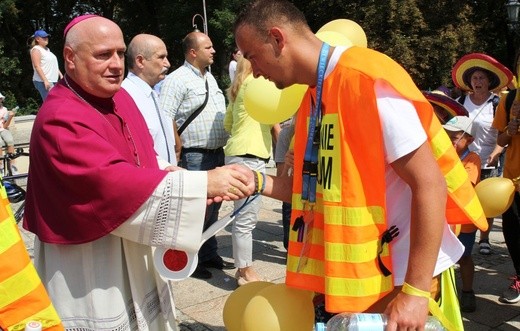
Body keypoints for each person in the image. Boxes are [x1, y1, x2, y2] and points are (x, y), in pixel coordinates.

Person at [233, 1, 487, 329]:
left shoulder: (364, 81)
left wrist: (414, 293)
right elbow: (316, 190)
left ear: (278, 39)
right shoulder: (315, 95)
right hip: (361, 281)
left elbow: (430, 183)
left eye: (251, 55)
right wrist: (252, 180)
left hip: (396, 283)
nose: (252, 70)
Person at [22, 15, 253, 331]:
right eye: (104, 54)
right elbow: (108, 184)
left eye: (119, 52)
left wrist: (178, 175)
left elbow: (141, 157)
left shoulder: (119, 97)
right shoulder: (60, 117)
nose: (117, 64)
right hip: (92, 261)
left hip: (132, 243)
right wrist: (201, 183)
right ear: (71, 58)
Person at [159, 31, 233, 280]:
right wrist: (177, 148)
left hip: (215, 154)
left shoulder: (209, 78)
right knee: (196, 210)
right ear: (193, 52)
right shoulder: (177, 79)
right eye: (208, 47)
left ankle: (209, 252)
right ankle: (192, 259)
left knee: (214, 208)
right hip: (194, 156)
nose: (213, 51)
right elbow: (165, 115)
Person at [452, 53, 513, 255]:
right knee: (464, 196)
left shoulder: (497, 103)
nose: (477, 82)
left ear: (489, 82)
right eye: (474, 78)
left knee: (485, 199)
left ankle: (484, 238)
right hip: (463, 158)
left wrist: (496, 152)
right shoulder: (460, 101)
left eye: (481, 78)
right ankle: (462, 233)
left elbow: (504, 131)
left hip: (489, 158)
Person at [224, 57, 272, 285]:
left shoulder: (237, 88)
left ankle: (241, 268)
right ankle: (245, 271)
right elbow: (275, 115)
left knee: (241, 216)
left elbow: (227, 124)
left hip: (237, 152)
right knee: (245, 219)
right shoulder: (257, 84)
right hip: (250, 157)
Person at [442, 116, 481, 313]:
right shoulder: (442, 155)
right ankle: (444, 292)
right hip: (444, 219)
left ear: (470, 140)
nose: (450, 141)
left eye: (455, 137)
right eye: (447, 136)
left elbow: (463, 185)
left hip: (464, 221)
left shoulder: (472, 159)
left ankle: (467, 291)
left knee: (464, 257)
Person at [122, 34, 179, 165]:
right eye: (161, 57)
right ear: (140, 61)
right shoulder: (126, 96)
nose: (168, 64)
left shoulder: (152, 92)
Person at [492, 83, 520, 304]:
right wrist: (510, 131)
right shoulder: (509, 99)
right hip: (513, 182)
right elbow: (500, 140)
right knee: (512, 234)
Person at [274, 117, 294, 251]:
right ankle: (290, 249)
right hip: (294, 191)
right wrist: (287, 164)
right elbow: (281, 177)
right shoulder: (286, 134)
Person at [30, 29, 63, 101]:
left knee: (56, 102)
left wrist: (60, 74)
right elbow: (37, 66)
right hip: (43, 81)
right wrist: (45, 80)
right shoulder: (36, 50)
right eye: (43, 37)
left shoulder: (47, 50)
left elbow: (52, 64)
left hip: (53, 80)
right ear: (37, 39)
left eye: (47, 37)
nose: (46, 39)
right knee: (50, 102)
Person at [0, 92, 18, 174]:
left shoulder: (4, 110)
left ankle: (13, 165)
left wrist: (10, 117)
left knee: (10, 141)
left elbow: (4, 126)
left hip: (3, 129)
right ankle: (1, 166)